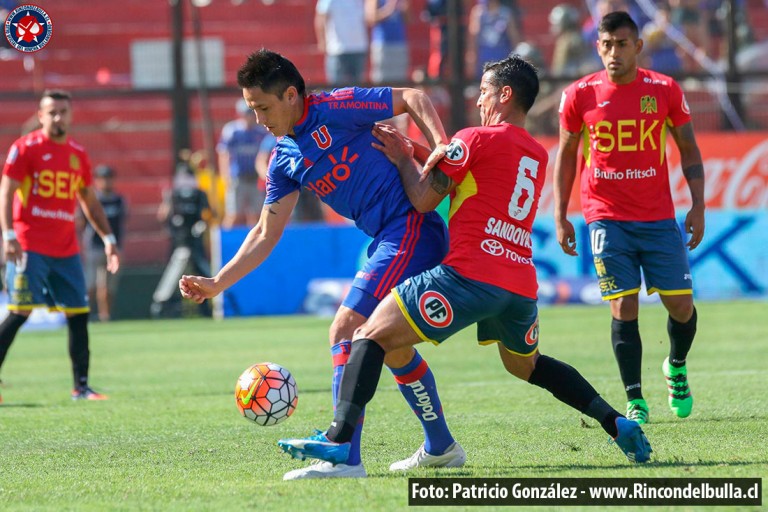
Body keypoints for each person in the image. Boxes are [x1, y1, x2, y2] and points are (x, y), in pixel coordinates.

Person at [276, 54, 652, 469]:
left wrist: (404, 158)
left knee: (366, 335)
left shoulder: (472, 138)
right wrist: (418, 148)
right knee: (527, 366)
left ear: (505, 95)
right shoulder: (534, 153)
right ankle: (615, 421)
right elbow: (472, 176)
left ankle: (339, 441)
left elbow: (424, 197)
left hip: (468, 276)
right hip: (519, 284)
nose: (477, 101)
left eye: (485, 91)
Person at [179, 49, 465, 480]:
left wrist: (442, 148)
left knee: (344, 328)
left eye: (263, 107)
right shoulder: (284, 159)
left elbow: (413, 97)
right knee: (390, 346)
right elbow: (263, 232)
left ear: (291, 95)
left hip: (410, 227)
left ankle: (343, 455)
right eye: (252, 109)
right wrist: (219, 282)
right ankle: (441, 446)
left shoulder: (337, 106)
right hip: (387, 237)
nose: (259, 119)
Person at [552, 11, 705, 425]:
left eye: (621, 44)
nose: (613, 52)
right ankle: (634, 400)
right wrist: (561, 214)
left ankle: (675, 365)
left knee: (681, 308)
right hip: (604, 216)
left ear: (638, 47)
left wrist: (698, 205)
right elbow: (566, 156)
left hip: (657, 217)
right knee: (623, 305)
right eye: (606, 44)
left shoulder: (664, 90)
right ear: (597, 46)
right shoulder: (578, 95)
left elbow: (689, 150)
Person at [0, 89, 120, 402]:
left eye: (62, 111)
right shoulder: (25, 149)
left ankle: (81, 387)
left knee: (79, 313)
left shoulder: (77, 154)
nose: (58, 117)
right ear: (40, 116)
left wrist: (108, 239)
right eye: (51, 112)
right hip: (30, 246)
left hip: (66, 249)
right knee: (20, 311)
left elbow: (89, 202)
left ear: (71, 115)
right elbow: (7, 191)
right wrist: (8, 236)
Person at [154, 158, 213, 318]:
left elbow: (208, 216)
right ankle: (161, 304)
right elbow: (164, 215)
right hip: (182, 241)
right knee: (176, 273)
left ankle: (209, 305)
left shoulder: (196, 194)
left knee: (201, 271)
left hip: (191, 241)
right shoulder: (175, 194)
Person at [82, 164, 127, 322]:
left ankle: (105, 316)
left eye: (109, 178)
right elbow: (82, 223)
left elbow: (121, 224)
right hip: (94, 246)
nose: (107, 182)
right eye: (103, 179)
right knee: (91, 284)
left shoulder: (119, 200)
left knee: (108, 287)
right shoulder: (92, 200)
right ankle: (85, 315)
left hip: (114, 248)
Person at [217, 99, 271, 228]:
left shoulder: (261, 132)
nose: (250, 117)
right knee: (233, 215)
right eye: (247, 114)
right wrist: (225, 176)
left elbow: (266, 154)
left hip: (255, 179)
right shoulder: (232, 131)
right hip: (238, 179)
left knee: (258, 215)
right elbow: (223, 154)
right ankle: (225, 245)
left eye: (252, 113)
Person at [315, 0, 369, 85]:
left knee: (358, 88)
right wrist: (322, 41)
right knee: (336, 88)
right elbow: (321, 19)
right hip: (337, 49)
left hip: (358, 48)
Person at [467, 0, 522, 80]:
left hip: (502, 54)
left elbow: (514, 36)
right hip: (484, 55)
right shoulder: (478, 13)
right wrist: (471, 58)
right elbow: (473, 37)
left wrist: (517, 56)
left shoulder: (505, 13)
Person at [365, 0, 410, 84]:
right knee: (382, 78)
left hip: (399, 42)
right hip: (382, 43)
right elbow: (370, 18)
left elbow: (408, 19)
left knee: (400, 78)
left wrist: (405, 9)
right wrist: (389, 9)